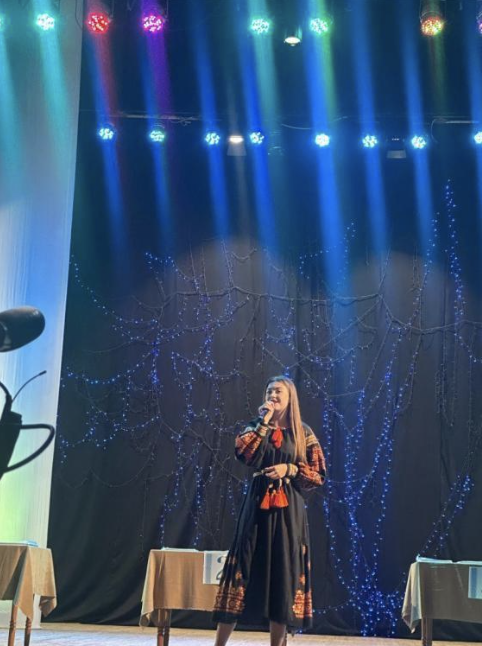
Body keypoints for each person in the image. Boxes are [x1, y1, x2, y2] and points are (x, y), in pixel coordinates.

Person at [213, 376, 326, 646]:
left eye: (278, 392)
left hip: (288, 511)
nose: (272, 395)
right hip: (257, 506)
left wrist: (291, 469)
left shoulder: (303, 432)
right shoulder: (256, 426)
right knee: (243, 565)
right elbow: (244, 453)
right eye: (269, 391)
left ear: (290, 398)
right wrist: (264, 421)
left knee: (283, 571)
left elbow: (318, 474)